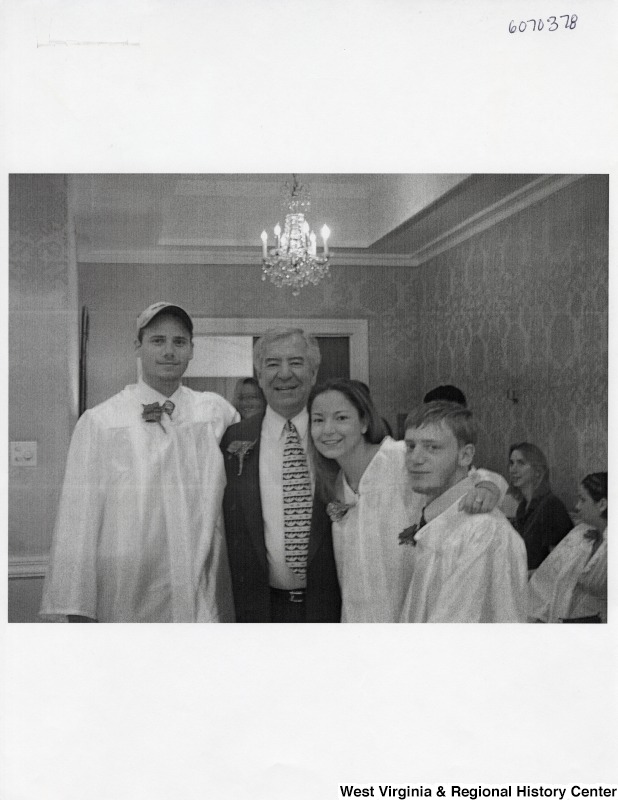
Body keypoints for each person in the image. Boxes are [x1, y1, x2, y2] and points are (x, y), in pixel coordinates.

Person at [40, 302, 239, 623]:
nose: (169, 352)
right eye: (157, 341)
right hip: (130, 591)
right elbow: (77, 519)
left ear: (191, 350)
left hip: (202, 585)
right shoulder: (103, 421)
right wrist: (76, 606)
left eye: (179, 342)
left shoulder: (215, 413)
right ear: (138, 346)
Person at [308, 380, 509, 622]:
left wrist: (488, 486)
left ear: (363, 422)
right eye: (318, 420)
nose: (328, 430)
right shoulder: (333, 481)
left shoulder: (400, 456)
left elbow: (465, 474)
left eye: (341, 418)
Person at [220, 328, 340, 622]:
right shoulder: (232, 439)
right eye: (272, 364)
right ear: (259, 376)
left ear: (313, 374)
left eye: (296, 363)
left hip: (331, 608)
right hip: (258, 609)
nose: (284, 374)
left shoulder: (338, 434)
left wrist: (473, 481)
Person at [399, 402, 528, 623]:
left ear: (466, 456)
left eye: (432, 447)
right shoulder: (437, 518)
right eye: (411, 446)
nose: (416, 458)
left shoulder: (483, 531)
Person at [528, 472, 607, 622]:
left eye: (583, 500)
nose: (577, 506)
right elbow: (549, 574)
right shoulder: (581, 534)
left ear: (602, 504)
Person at [508, 442, 573, 571]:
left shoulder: (551, 505)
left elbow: (562, 564)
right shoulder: (522, 507)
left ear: (537, 471)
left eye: (521, 463)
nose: (513, 469)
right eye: (512, 463)